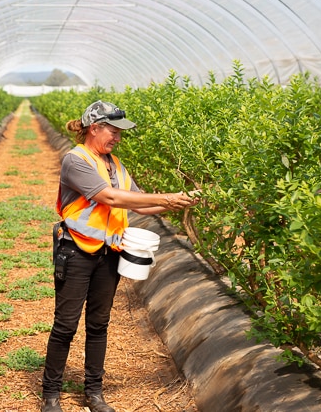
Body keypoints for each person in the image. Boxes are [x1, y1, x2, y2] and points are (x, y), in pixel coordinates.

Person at [40, 100, 199, 412]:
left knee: (99, 323)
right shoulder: (77, 160)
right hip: (76, 250)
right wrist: (166, 197)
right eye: (113, 131)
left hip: (109, 253)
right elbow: (109, 197)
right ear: (94, 128)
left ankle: (94, 392)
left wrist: (177, 204)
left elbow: (138, 204)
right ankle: (51, 394)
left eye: (119, 133)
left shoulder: (116, 165)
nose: (117, 138)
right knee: (66, 324)